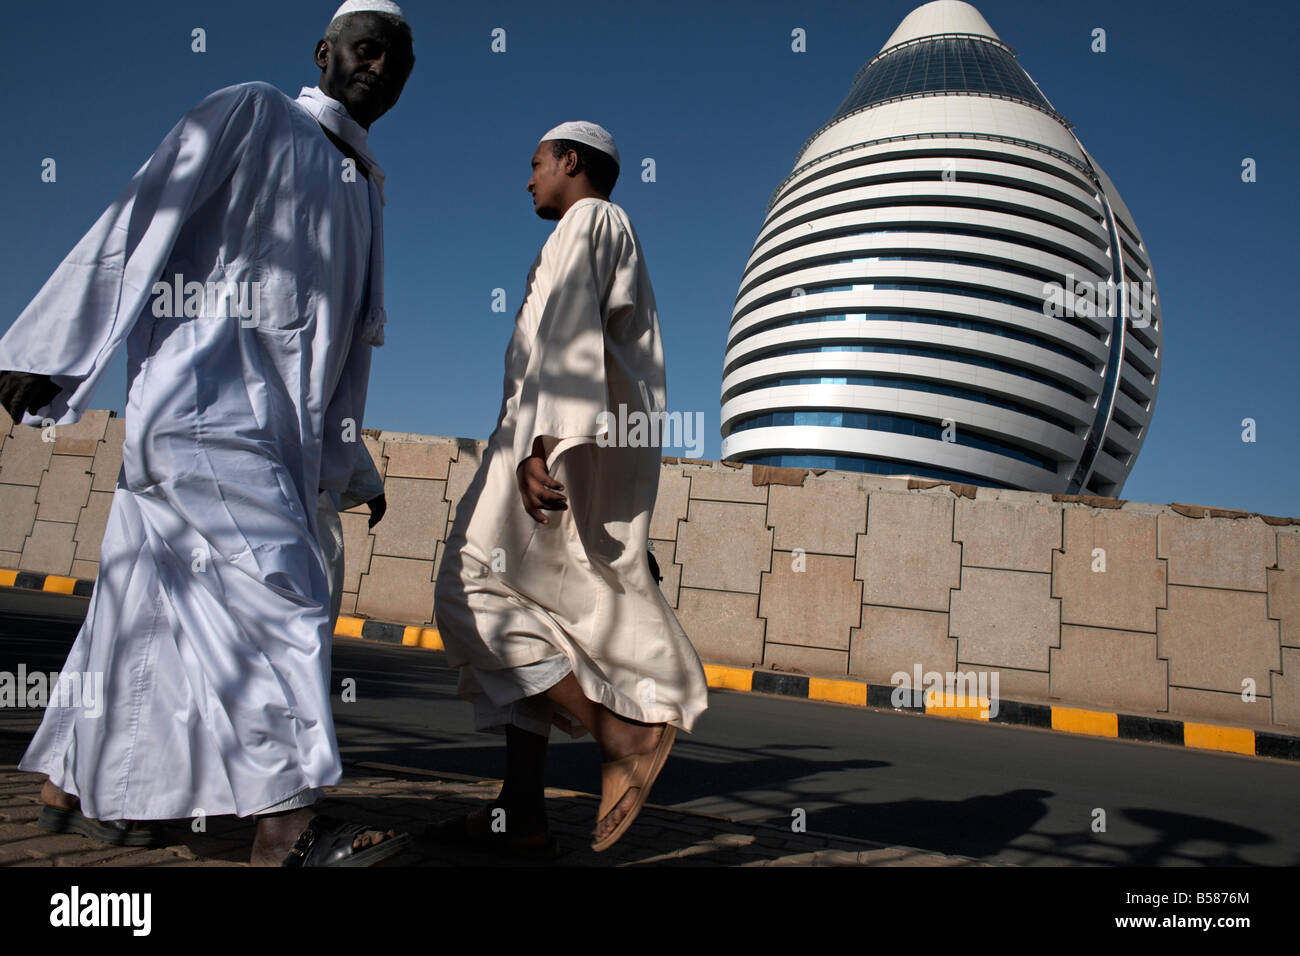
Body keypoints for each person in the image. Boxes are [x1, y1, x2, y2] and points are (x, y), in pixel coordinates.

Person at [0, 0, 416, 867]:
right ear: (326, 52)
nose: (380, 69)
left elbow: (348, 343)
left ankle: (68, 790)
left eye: (397, 63)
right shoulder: (257, 112)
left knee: (134, 613)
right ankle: (287, 824)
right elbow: (144, 211)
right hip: (202, 410)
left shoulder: (367, 188)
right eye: (368, 50)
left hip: (279, 435)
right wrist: (51, 347)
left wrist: (350, 462)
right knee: (284, 589)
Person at [433, 121, 709, 856]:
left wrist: (544, 446)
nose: (528, 181)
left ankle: (624, 736)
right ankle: (519, 815)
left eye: (535, 165)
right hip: (551, 440)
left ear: (570, 162)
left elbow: (572, 336)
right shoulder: (603, 227)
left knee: (471, 592)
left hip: (548, 445)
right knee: (536, 616)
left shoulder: (590, 220)